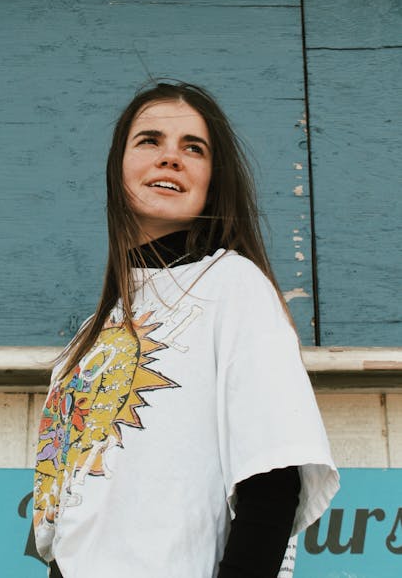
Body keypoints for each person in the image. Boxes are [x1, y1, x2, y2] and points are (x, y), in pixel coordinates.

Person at [33, 80, 339, 578]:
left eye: (192, 148)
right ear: (118, 168)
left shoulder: (233, 285)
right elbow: (68, 535)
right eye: (150, 140)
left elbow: (274, 482)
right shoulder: (88, 339)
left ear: (213, 179)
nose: (170, 158)